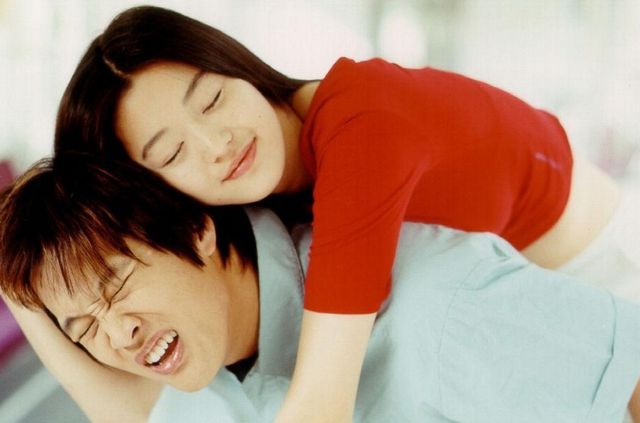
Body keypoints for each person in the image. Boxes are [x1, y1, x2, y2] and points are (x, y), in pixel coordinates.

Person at [53, 6, 640, 421]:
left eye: (212, 98)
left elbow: (320, 406)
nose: (217, 144)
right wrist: (24, 284)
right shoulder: (265, 208)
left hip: (603, 264)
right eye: (172, 154)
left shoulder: (361, 130)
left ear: (237, 66)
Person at [1, 154, 639, 423]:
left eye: (116, 287)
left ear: (195, 229)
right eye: (85, 329)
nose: (118, 334)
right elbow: (122, 409)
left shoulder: (433, 301)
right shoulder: (212, 378)